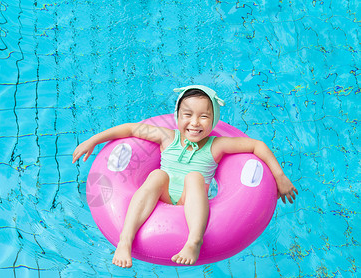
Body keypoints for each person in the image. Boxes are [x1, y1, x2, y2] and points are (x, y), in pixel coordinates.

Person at [72, 85, 298, 268]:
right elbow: (131, 129)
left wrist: (280, 177)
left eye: (204, 117)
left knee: (194, 178)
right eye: (187, 115)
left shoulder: (217, 145)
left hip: (190, 198)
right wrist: (94, 140)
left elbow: (257, 146)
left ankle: (194, 241)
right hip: (161, 194)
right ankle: (125, 240)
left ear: (214, 120)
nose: (195, 122)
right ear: (177, 116)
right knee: (157, 175)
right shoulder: (167, 138)